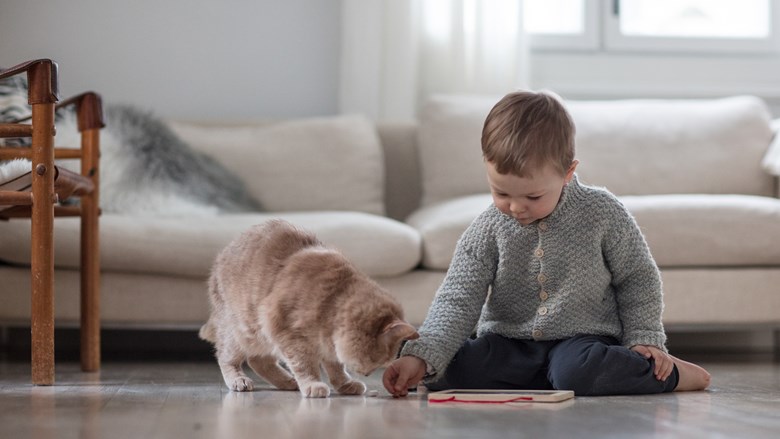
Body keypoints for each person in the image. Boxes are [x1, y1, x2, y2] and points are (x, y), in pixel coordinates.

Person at [383, 90, 711, 397]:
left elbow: (637, 277)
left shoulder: (602, 212)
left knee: (579, 372)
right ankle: (542, 378)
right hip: (508, 344)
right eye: (501, 192)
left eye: (533, 196)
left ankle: (670, 374)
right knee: (447, 368)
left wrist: (644, 337)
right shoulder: (488, 228)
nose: (516, 207)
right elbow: (458, 296)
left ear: (567, 173)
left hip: (582, 342)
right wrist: (423, 356)